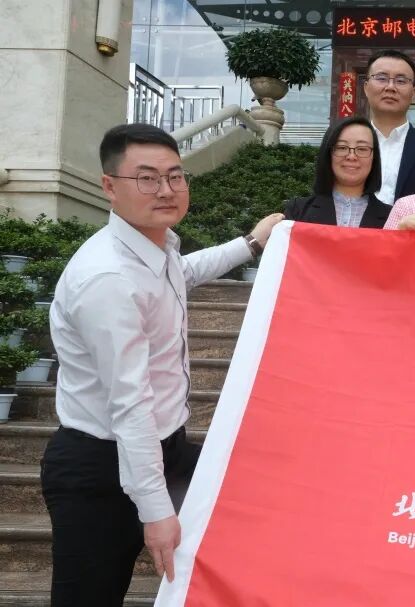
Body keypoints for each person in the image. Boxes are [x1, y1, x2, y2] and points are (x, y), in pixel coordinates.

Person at [41, 123, 284, 606]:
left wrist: (252, 243)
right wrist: (154, 512)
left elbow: (186, 272)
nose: (167, 190)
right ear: (109, 186)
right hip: (101, 467)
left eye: (175, 176)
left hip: (165, 449)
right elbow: (130, 406)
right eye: (147, 178)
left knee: (250, 509)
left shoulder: (156, 247)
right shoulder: (108, 278)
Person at [284, 116, 392, 227]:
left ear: (374, 158)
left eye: (362, 149)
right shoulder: (297, 211)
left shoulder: (392, 218)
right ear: (328, 154)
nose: (351, 156)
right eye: (342, 147)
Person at [362, 49, 415, 204]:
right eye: (381, 78)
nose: (390, 87)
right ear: (366, 88)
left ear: (413, 93)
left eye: (401, 81)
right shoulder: (345, 144)